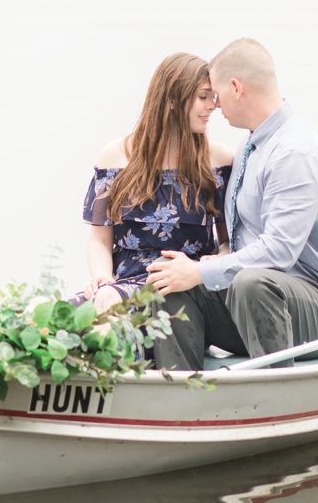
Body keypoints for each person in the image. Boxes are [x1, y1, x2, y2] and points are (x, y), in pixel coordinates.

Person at [146, 37, 318, 369]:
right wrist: (191, 270)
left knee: (251, 281)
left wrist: (201, 270)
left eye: (216, 94)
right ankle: (184, 398)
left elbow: (278, 252)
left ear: (236, 88)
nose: (214, 104)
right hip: (249, 304)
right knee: (170, 284)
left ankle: (275, 402)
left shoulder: (294, 152)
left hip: (316, 312)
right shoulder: (249, 147)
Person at [79, 53, 232, 313]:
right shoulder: (114, 156)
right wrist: (103, 278)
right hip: (120, 285)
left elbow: (230, 240)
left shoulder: (217, 160)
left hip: (182, 292)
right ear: (173, 99)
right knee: (55, 318)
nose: (212, 106)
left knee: (104, 313)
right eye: (203, 97)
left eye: (213, 97)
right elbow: (99, 239)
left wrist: (214, 262)